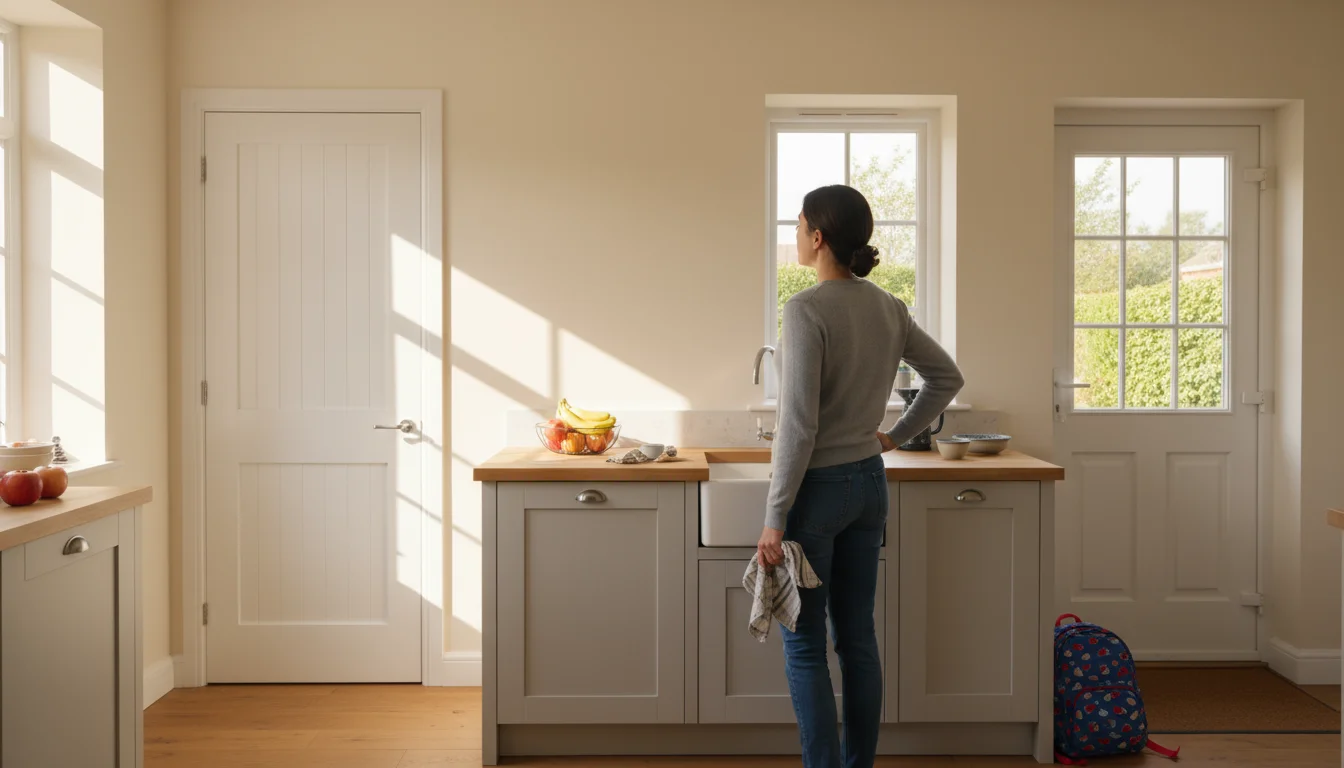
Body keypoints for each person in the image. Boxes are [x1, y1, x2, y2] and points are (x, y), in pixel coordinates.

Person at [756, 185, 964, 768]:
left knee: (804, 645)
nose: (796, 236)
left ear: (818, 237)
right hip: (870, 485)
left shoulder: (805, 310)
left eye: (798, 226)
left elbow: (797, 428)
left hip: (817, 493)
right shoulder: (889, 307)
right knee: (857, 639)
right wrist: (894, 437)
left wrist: (774, 519)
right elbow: (946, 379)